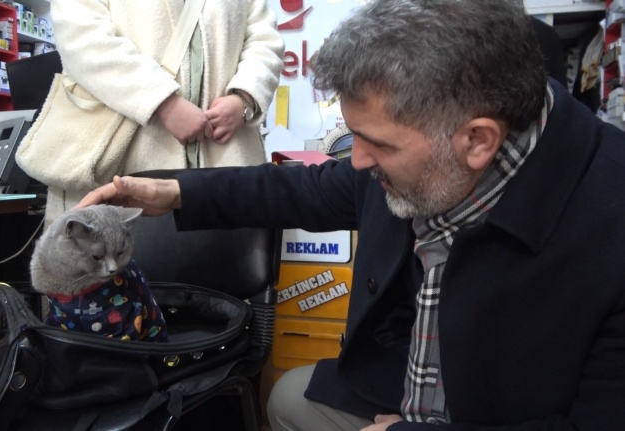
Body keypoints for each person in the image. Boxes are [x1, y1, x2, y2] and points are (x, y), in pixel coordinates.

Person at [76, 0, 625, 429]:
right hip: (404, 395)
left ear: (477, 141)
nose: (357, 161)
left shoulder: (607, 220)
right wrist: (171, 192)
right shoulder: (432, 149)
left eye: (375, 144)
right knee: (290, 398)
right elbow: (293, 189)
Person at [44, 0, 284, 224]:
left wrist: (244, 97)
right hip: (126, 157)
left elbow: (265, 40)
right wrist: (161, 100)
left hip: (228, 158)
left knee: (233, 262)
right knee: (113, 257)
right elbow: (82, 37)